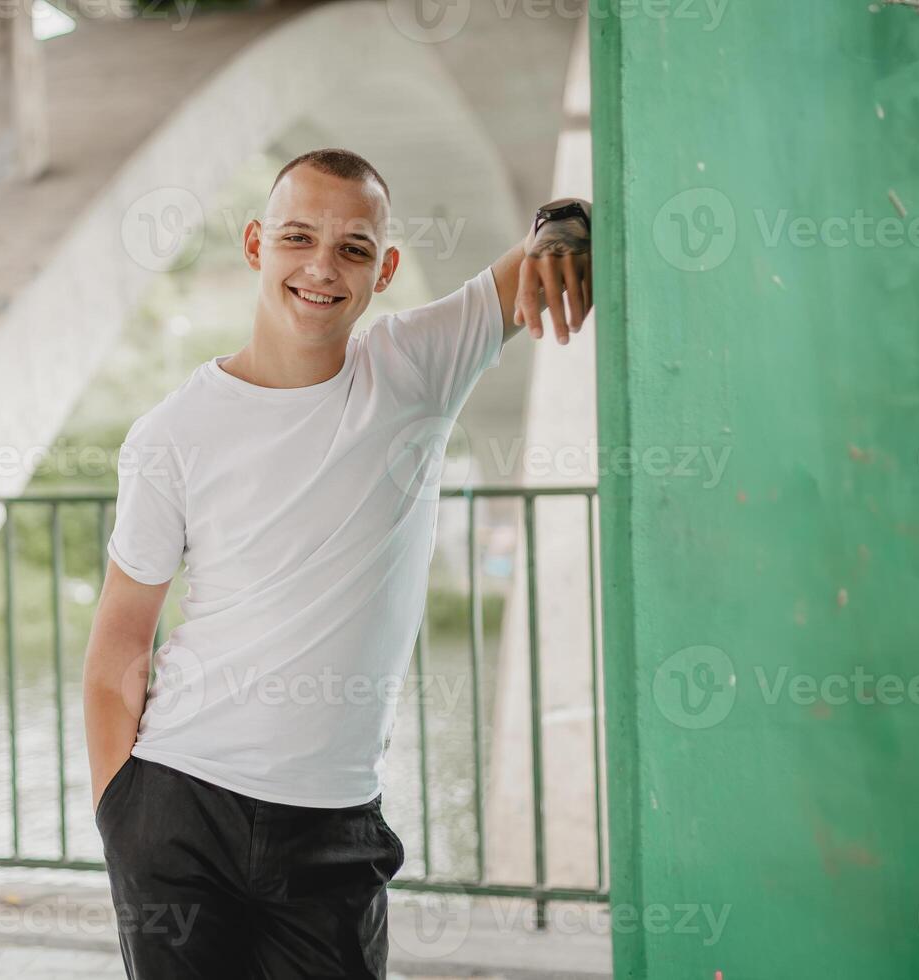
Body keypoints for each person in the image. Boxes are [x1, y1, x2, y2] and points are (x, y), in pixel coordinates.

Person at [82, 147, 592, 979]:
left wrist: (567, 225)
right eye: (297, 238)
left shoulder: (415, 367)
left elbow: (550, 248)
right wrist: (120, 812)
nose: (322, 266)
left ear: (385, 267)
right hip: (178, 808)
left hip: (332, 825)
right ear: (256, 246)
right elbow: (120, 637)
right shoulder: (170, 435)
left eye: (353, 247)